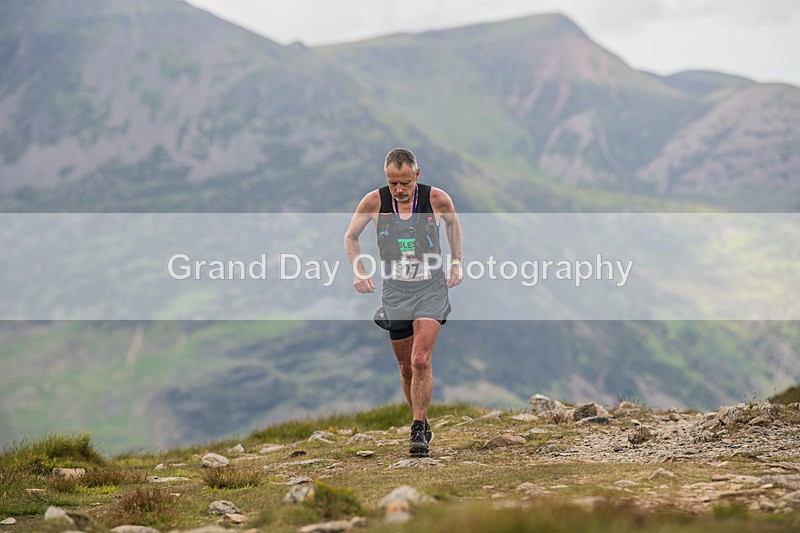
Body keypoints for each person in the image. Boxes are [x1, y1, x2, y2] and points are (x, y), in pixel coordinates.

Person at [344, 148, 462, 457]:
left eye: (405, 183)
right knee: (405, 367)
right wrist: (358, 269)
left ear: (416, 175)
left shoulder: (436, 199)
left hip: (431, 289)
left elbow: (452, 223)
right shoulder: (374, 202)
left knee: (420, 359)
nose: (399, 189)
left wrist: (456, 261)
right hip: (395, 291)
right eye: (393, 183)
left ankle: (417, 429)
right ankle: (422, 419)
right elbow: (351, 237)